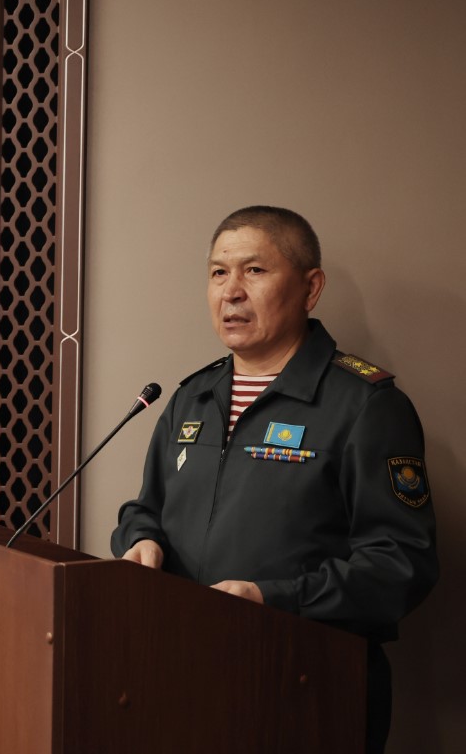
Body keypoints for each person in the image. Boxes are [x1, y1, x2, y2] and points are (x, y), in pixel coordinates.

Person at [111, 206, 437, 754]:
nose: (231, 291)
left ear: (311, 288)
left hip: (304, 689)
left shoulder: (366, 406)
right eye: (218, 272)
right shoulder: (191, 398)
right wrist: (140, 539)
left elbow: (402, 564)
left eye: (255, 271)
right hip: (184, 678)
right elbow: (146, 508)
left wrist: (273, 599)